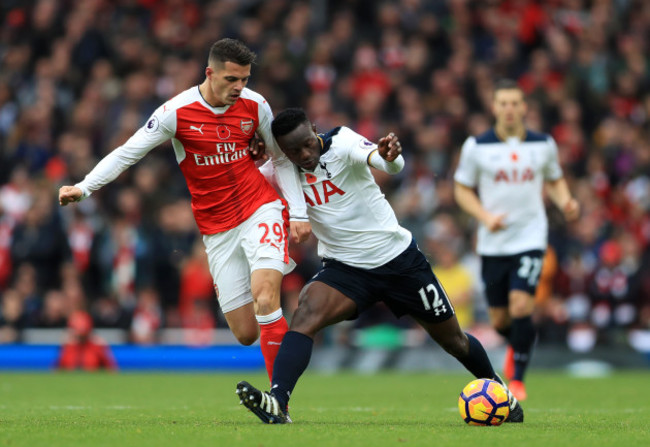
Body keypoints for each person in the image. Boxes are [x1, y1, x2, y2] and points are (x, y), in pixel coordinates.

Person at [235, 108, 523, 424]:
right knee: (305, 314)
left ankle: (501, 394)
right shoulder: (282, 170)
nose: (304, 154)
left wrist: (390, 156)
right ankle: (278, 403)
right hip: (346, 268)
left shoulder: (342, 142)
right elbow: (241, 184)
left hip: (399, 262)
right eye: (293, 151)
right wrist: (247, 156)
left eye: (307, 144)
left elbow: (386, 161)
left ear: (314, 129)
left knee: (454, 340)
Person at [58, 39, 311, 382]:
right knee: (246, 333)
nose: (239, 87)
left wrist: (297, 213)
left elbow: (280, 159)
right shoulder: (176, 112)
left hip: (260, 208)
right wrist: (84, 187)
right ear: (210, 73)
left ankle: (279, 399)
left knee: (266, 297)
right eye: (231, 79)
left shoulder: (256, 106)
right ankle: (279, 342)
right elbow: (127, 152)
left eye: (245, 80)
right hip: (217, 229)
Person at [453, 79, 580, 401]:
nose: (509, 109)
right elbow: (461, 189)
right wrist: (485, 217)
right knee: (499, 319)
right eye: (503, 103)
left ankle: (518, 378)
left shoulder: (543, 144)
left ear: (524, 108)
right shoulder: (477, 146)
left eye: (515, 103)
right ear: (494, 107)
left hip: (530, 236)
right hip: (493, 241)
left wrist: (566, 201)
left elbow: (554, 180)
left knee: (522, 303)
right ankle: (516, 344)